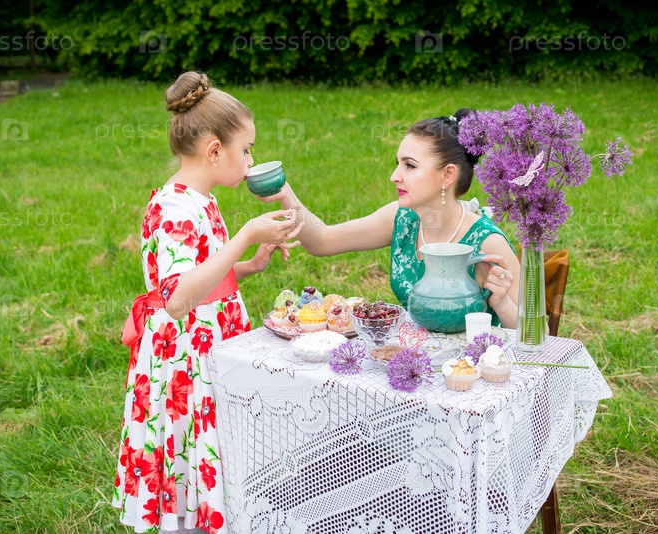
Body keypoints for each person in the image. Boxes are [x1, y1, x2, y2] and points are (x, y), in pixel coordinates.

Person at [113, 71, 304, 534]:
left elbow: (204, 278)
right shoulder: (175, 208)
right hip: (183, 360)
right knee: (186, 446)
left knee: (210, 444)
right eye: (247, 149)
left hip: (205, 348)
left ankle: (209, 515)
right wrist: (246, 235)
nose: (251, 159)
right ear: (215, 150)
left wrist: (250, 264)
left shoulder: (202, 200)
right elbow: (178, 298)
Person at [262, 109, 519, 328]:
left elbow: (532, 334)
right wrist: (285, 193)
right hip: (409, 359)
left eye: (410, 165)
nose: (394, 176)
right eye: (397, 163)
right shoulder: (403, 219)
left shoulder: (487, 243)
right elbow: (323, 240)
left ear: (447, 175)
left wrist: (502, 303)